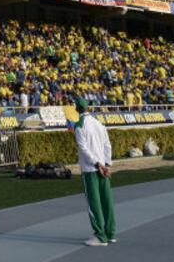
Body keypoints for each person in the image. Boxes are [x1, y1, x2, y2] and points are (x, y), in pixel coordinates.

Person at [73, 97, 116, 247]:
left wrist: (97, 164)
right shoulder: (99, 124)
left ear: (77, 109)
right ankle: (110, 233)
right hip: (103, 168)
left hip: (91, 169)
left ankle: (100, 236)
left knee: (94, 203)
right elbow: (107, 145)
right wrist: (107, 164)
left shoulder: (79, 125)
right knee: (107, 200)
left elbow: (83, 148)